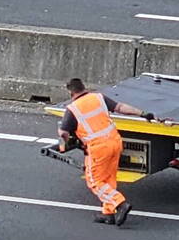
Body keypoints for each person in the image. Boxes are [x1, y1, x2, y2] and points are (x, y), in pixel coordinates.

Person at [57, 78, 153, 227]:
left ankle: (119, 203)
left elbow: (63, 133)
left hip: (98, 148)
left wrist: (62, 146)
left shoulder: (73, 109)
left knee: (94, 181)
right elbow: (120, 107)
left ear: (70, 92)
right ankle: (108, 213)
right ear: (84, 87)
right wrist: (142, 113)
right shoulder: (98, 97)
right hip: (115, 142)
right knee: (108, 178)